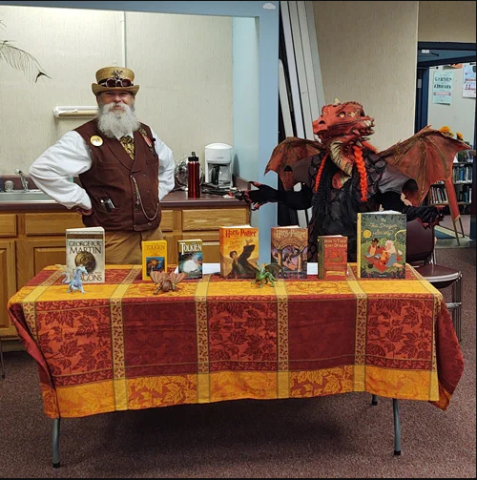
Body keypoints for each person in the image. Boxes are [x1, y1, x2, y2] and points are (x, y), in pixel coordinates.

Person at [243, 100, 444, 261]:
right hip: (319, 251)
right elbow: (304, 201)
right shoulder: (316, 164)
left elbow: (395, 208)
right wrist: (274, 195)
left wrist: (421, 212)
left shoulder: (376, 168)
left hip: (361, 253)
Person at [29, 66, 175, 264]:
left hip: (153, 236)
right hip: (113, 241)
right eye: (109, 94)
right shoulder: (83, 138)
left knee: (154, 291)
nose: (117, 99)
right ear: (99, 99)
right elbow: (41, 170)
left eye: (124, 94)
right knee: (113, 294)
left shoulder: (146, 133)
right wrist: (82, 199)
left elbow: (168, 164)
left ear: (132, 100)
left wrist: (155, 194)